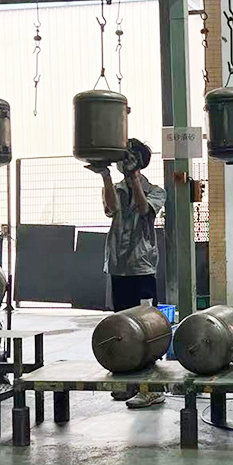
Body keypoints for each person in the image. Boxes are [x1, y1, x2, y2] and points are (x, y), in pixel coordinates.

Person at [91, 138, 167, 409]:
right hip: (119, 266)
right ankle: (130, 383)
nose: (125, 164)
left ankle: (153, 388)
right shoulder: (116, 189)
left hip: (142, 267)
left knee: (149, 327)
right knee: (123, 327)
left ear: (141, 162)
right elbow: (111, 209)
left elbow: (144, 209)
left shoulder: (156, 191)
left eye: (130, 159)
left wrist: (134, 177)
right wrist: (105, 175)